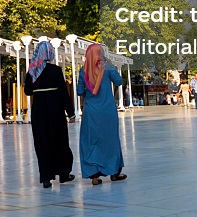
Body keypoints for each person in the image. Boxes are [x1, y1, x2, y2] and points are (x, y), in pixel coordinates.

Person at [24, 40, 76, 188]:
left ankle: (46, 178)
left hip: (39, 110)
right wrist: (70, 113)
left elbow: (27, 91)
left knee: (42, 142)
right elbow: (63, 93)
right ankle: (64, 174)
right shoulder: (55, 70)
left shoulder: (32, 71)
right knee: (60, 141)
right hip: (55, 110)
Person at [77, 44, 126, 185]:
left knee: (92, 141)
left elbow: (80, 91)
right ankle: (114, 172)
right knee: (110, 140)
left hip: (91, 112)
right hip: (107, 111)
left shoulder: (83, 71)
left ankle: (94, 176)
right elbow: (119, 81)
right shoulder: (108, 68)